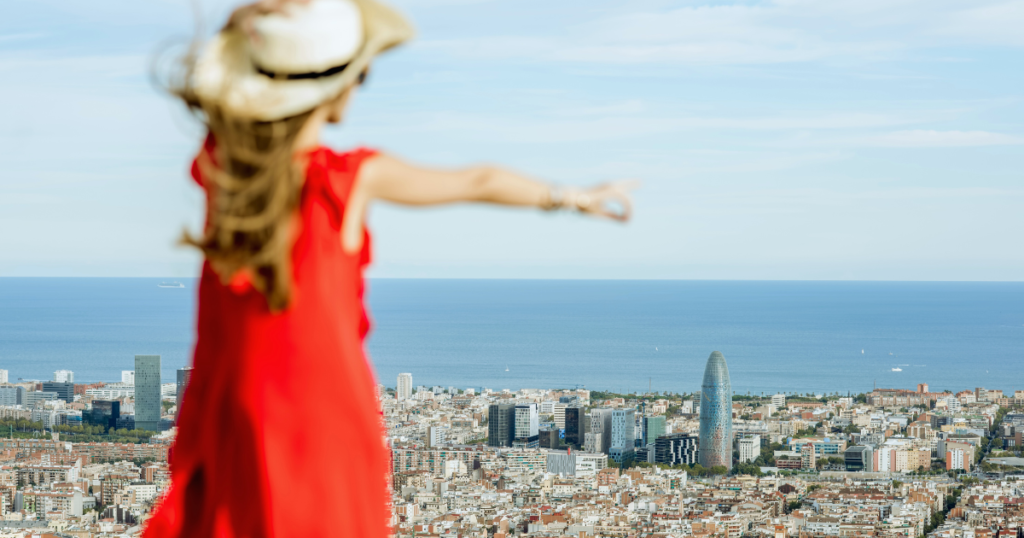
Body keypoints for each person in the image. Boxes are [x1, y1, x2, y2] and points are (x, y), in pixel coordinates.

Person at [144, 0, 634, 536]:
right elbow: (476, 180)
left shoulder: (229, 179)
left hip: (238, 409)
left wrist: (255, 32)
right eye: (361, 72)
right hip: (325, 411)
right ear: (335, 87)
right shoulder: (347, 181)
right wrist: (571, 197)